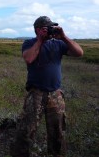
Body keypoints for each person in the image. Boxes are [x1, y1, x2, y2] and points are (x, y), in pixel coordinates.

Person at [10, 16, 83, 157]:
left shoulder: (59, 43)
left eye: (51, 28)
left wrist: (64, 37)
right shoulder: (29, 43)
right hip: (36, 92)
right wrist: (40, 40)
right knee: (26, 130)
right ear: (38, 30)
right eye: (46, 28)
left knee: (58, 132)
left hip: (55, 94)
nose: (50, 31)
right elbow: (29, 58)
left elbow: (79, 53)